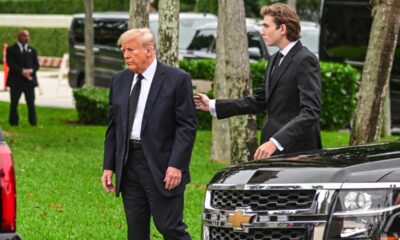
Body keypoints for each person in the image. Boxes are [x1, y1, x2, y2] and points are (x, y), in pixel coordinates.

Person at [101, 28, 196, 240]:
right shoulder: (119, 80)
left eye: (131, 50)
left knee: (169, 227)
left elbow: (187, 127)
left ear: (149, 51)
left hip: (163, 165)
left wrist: (176, 165)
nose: (126, 55)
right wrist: (108, 165)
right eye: (123, 50)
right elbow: (113, 127)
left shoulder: (177, 79)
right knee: (135, 231)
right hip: (128, 164)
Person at [194, 3, 322, 159]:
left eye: (266, 26)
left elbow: (311, 112)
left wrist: (276, 142)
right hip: (271, 149)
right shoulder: (274, 59)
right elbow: (258, 101)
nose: (262, 31)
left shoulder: (305, 59)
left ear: (282, 29)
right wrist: (213, 105)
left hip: (297, 152)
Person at [6, 29, 39, 126]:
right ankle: (13, 121)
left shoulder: (32, 50)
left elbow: (36, 65)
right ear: (19, 37)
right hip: (16, 81)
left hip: (29, 81)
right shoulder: (11, 49)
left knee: (31, 102)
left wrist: (31, 71)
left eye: (28, 36)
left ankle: (33, 122)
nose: (27, 38)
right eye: (24, 36)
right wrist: (22, 71)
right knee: (14, 103)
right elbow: (10, 63)